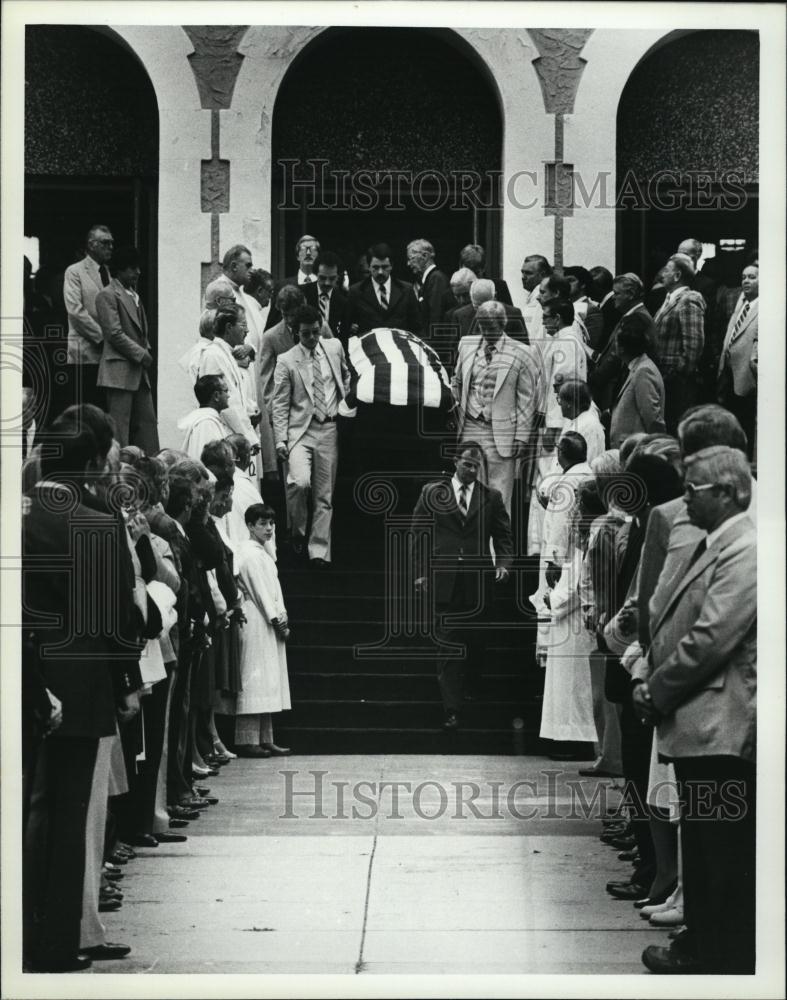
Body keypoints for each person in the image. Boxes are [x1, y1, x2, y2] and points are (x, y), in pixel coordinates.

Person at [23, 408, 140, 971]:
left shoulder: (20, 513)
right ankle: (55, 942)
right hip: (81, 679)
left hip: (27, 674)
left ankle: (24, 930)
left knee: (31, 808)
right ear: (93, 462)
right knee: (71, 816)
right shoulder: (96, 520)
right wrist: (125, 684)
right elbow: (114, 616)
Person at [635, 446, 756, 975]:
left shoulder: (744, 550)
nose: (683, 500)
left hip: (720, 723)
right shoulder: (716, 543)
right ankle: (704, 945)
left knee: (719, 849)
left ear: (727, 494)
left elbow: (710, 638)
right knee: (705, 845)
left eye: (693, 490)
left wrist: (655, 690)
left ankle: (717, 954)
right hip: (700, 721)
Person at [411, 442, 513, 730]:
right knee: (447, 646)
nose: (471, 470)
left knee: (476, 642)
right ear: (455, 461)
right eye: (467, 464)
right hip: (444, 581)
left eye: (476, 466)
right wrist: (420, 573)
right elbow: (418, 534)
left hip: (478, 582)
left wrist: (504, 564)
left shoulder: (491, 497)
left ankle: (472, 687)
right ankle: (452, 709)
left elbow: (503, 536)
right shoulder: (432, 493)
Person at [272, 305, 352, 564]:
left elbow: (346, 375)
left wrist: (345, 403)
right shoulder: (286, 360)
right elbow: (280, 404)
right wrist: (281, 440)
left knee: (324, 495)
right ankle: (297, 532)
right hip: (300, 431)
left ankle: (319, 550)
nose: (312, 338)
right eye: (306, 333)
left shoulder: (334, 347)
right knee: (299, 482)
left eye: (316, 332)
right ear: (296, 332)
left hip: (329, 427)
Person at [451, 300, 540, 515]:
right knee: (467, 489)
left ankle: (498, 536)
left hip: (502, 431)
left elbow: (526, 399)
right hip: (470, 426)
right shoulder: (466, 345)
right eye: (482, 326)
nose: (485, 332)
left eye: (490, 327)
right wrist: (455, 408)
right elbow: (457, 381)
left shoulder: (522, 352)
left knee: (499, 494)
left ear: (502, 324)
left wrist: (521, 437)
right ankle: (470, 535)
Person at [234, 504, 292, 756]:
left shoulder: (263, 554)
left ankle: (265, 737)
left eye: (271, 524)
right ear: (250, 525)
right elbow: (260, 592)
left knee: (267, 679)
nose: (269, 529)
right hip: (256, 620)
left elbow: (274, 591)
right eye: (262, 524)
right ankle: (247, 739)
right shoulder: (248, 554)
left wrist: (282, 614)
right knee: (255, 678)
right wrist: (277, 620)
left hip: (266, 621)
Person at [95, 245, 159, 453]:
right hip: (119, 371)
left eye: (137, 268)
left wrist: (145, 351)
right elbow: (113, 333)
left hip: (137, 370)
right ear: (120, 270)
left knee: (147, 424)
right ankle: (119, 467)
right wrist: (142, 354)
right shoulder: (107, 294)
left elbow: (140, 332)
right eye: (132, 268)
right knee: (119, 428)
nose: (137, 272)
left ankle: (151, 465)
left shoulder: (133, 295)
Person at [589, 272, 656, 416]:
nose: (613, 297)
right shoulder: (632, 315)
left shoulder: (637, 318)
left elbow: (616, 356)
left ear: (630, 294)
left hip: (619, 385)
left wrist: (594, 378)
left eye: (617, 293)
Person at [652, 253, 706, 433]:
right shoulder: (669, 299)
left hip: (676, 381)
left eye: (666, 270)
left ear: (677, 276)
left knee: (676, 424)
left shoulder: (689, 299)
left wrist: (679, 374)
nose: (662, 274)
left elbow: (694, 344)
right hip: (665, 376)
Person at [63, 224, 114, 408]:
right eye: (105, 243)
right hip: (85, 355)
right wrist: (103, 339)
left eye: (111, 243)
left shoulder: (109, 273)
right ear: (92, 245)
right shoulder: (74, 271)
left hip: (107, 357)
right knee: (85, 410)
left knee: (102, 409)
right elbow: (75, 311)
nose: (110, 247)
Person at [717, 262, 758, 456]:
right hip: (730, 375)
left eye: (752, 277)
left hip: (747, 378)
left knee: (746, 426)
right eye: (743, 277)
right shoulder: (741, 305)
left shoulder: (764, 307)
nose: (746, 281)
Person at [608, 323, 666, 447]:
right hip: (630, 446)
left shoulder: (644, 371)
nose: (614, 345)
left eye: (616, 342)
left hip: (636, 447)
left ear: (622, 348)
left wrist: (657, 448)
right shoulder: (637, 367)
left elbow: (652, 417)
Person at [346, 242, 421, 335]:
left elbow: (417, 327)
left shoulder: (406, 290)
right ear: (369, 266)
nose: (380, 272)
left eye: (385, 267)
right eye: (375, 267)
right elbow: (347, 326)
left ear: (391, 266)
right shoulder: (356, 291)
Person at [265, 233, 321, 329]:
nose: (308, 253)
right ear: (297, 256)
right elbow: (272, 324)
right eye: (303, 249)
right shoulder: (282, 286)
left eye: (312, 249)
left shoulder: (323, 286)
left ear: (318, 255)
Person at [178, 374, 231, 459]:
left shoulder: (207, 419)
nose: (228, 396)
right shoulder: (206, 424)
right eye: (226, 391)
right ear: (216, 396)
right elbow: (209, 461)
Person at [303, 250, 350, 342]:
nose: (327, 283)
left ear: (338, 277)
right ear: (315, 274)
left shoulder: (343, 301)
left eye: (332, 278)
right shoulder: (303, 293)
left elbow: (344, 337)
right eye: (322, 278)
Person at [556, 379, 606, 464]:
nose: (559, 404)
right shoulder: (575, 422)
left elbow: (586, 463)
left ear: (569, 403)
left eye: (560, 399)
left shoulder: (589, 426)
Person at [406, 238, 450, 335]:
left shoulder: (436, 279)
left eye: (411, 258)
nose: (408, 264)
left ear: (425, 256)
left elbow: (436, 318)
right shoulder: (430, 280)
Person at [563, 265, 604, 349]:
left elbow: (591, 344)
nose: (566, 284)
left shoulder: (591, 310)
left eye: (570, 280)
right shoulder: (565, 307)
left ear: (582, 284)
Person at [519, 253, 551, 339]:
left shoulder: (541, 298)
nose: (523, 277)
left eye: (528, 273)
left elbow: (533, 334)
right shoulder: (532, 295)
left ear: (543, 275)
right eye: (522, 272)